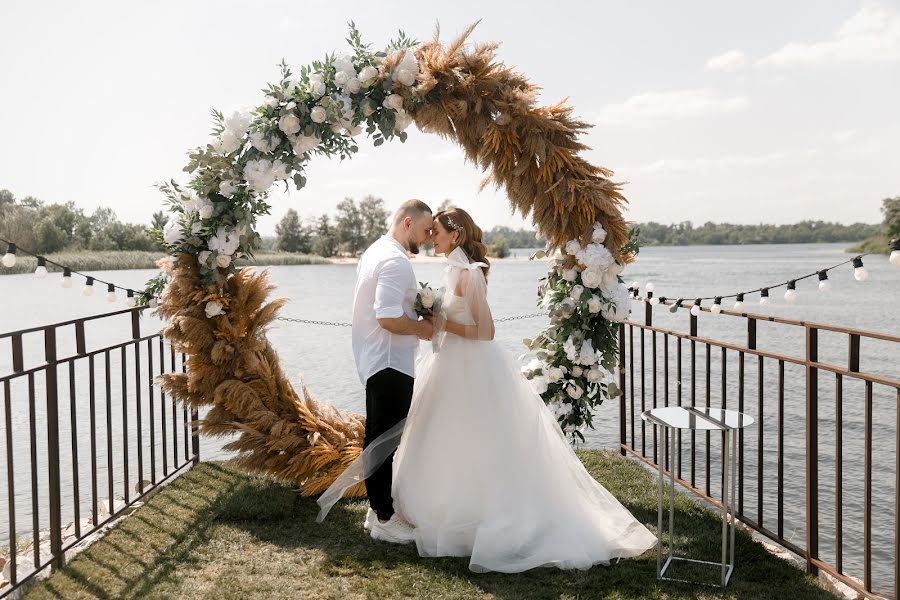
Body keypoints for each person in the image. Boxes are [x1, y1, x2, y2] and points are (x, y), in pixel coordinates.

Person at [350, 198, 434, 543]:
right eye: (427, 229)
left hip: (377, 359)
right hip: (389, 361)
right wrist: (422, 328)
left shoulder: (376, 252)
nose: (429, 237)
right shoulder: (396, 262)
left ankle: (377, 510)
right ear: (408, 224)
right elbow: (386, 317)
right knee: (385, 442)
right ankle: (385, 519)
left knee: (380, 438)